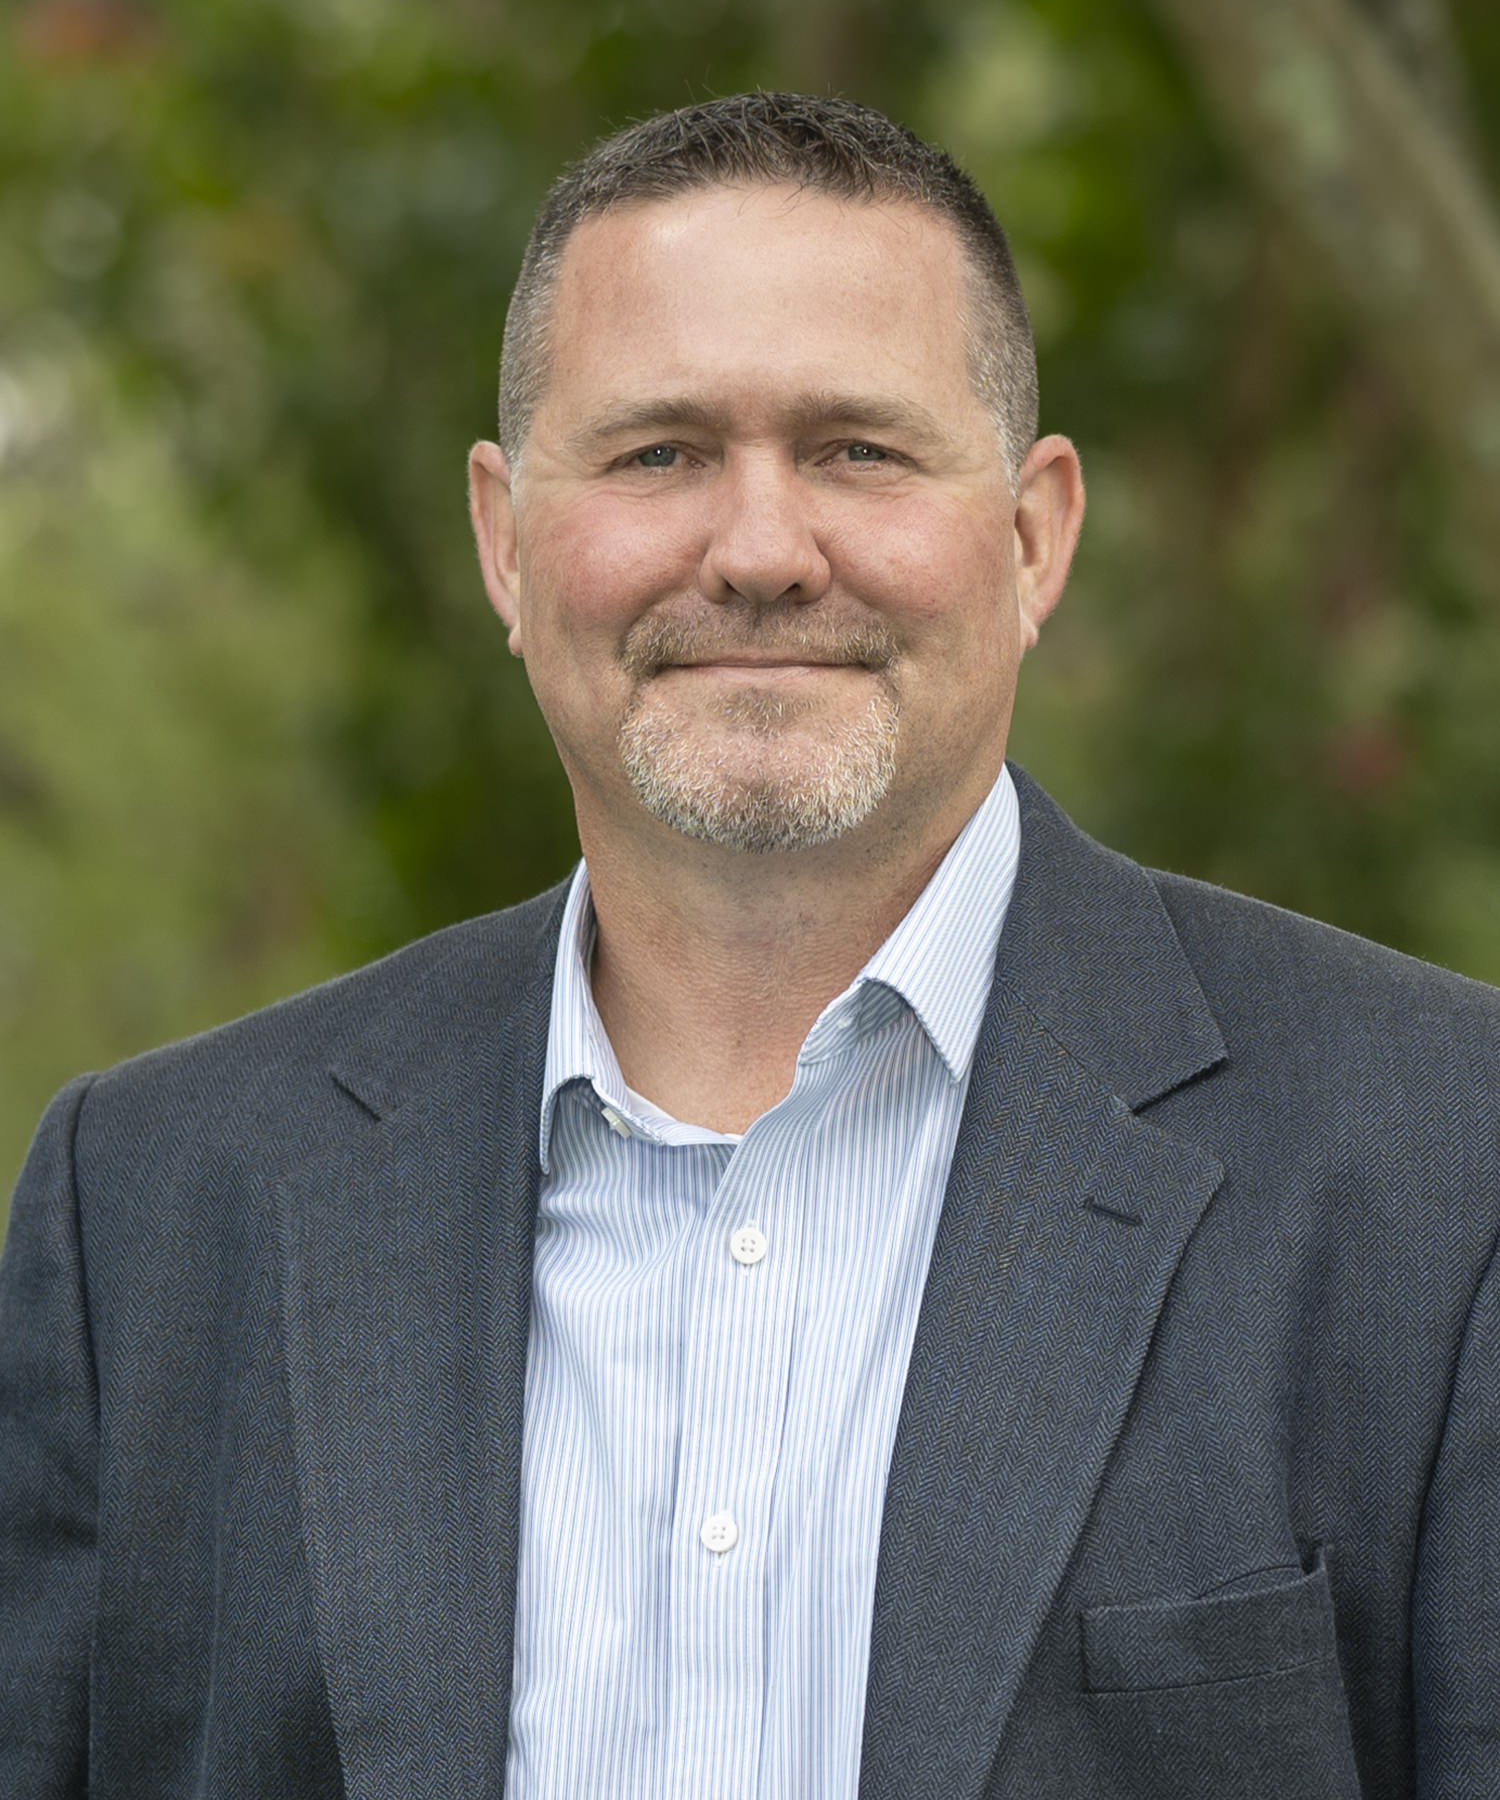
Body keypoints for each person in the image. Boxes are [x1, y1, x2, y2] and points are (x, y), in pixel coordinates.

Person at [1, 92, 1496, 1800]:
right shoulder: (151, 1211)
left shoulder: (1447, 1168)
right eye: (659, 454)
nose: (763, 553)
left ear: (1032, 537)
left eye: (859, 450)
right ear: (504, 540)